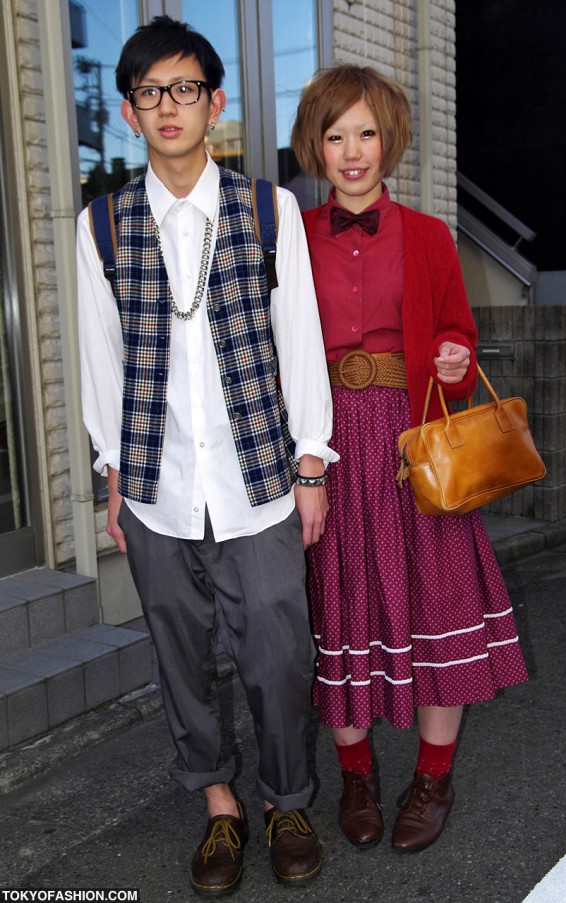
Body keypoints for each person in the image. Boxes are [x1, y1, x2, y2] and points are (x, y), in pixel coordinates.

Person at [77, 16, 338, 897]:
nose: (169, 106)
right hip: (155, 488)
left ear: (214, 102)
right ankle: (221, 805)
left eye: (185, 88)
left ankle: (287, 800)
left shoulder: (269, 210)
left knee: (277, 652)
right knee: (181, 654)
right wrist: (114, 473)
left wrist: (312, 465)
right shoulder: (103, 227)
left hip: (260, 480)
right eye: (152, 93)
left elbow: (298, 339)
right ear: (128, 112)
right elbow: (99, 359)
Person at [290, 65, 528, 853]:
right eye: (336, 135)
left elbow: (457, 329)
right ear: (315, 145)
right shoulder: (289, 240)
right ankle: (356, 774)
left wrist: (456, 356)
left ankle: (432, 775)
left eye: (367, 133)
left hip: (414, 440)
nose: (353, 151)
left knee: (439, 600)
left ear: (390, 140)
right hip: (327, 442)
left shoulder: (429, 235)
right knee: (342, 603)